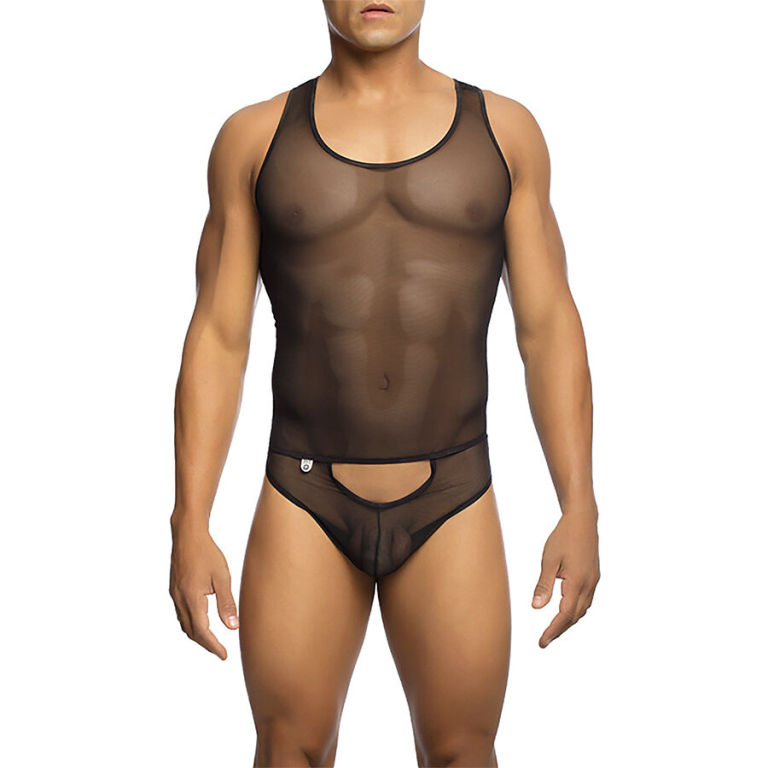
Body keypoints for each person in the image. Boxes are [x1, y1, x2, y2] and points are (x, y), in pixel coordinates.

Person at [169, 1, 600, 765]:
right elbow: (218, 337)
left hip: (453, 493)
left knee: (464, 752)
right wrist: (189, 521)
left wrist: (579, 505)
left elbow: (548, 328)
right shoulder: (254, 139)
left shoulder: (506, 133)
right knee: (287, 749)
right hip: (303, 492)